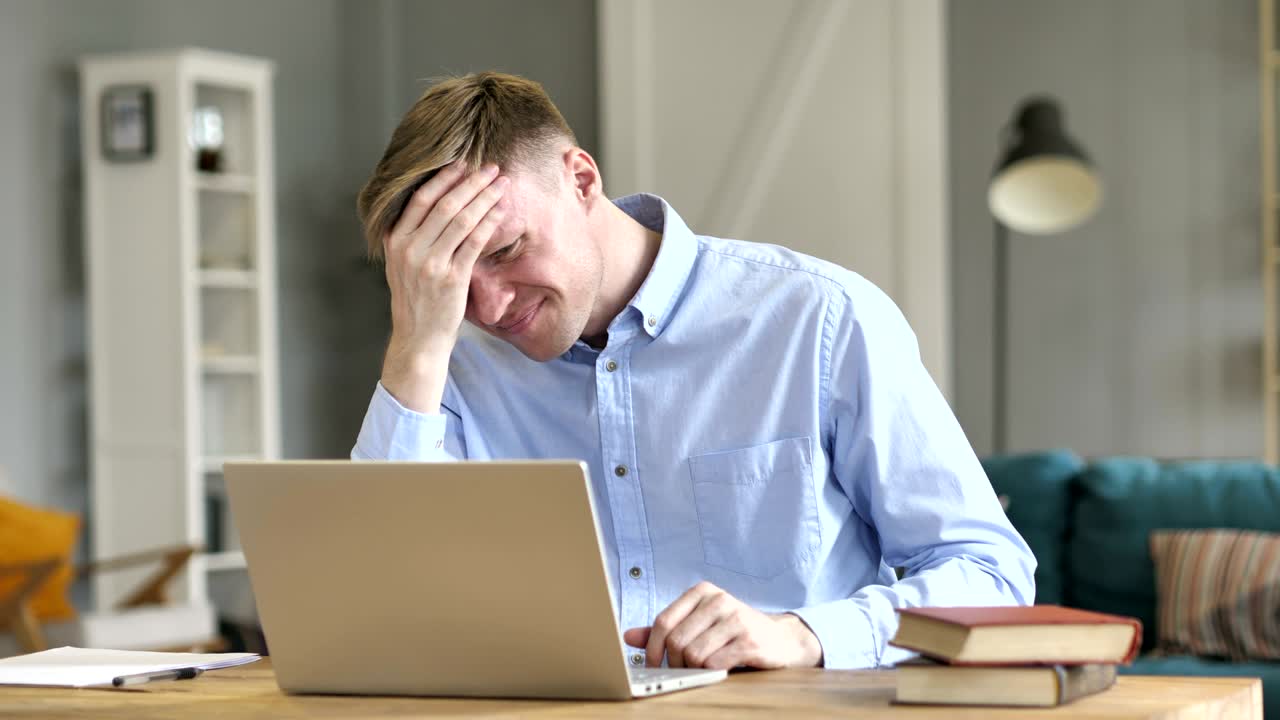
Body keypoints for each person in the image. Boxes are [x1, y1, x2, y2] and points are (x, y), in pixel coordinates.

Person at [351, 72, 1035, 671]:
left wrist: (805, 634)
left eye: (504, 250)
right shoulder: (448, 363)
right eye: (454, 281)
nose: (490, 306)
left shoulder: (821, 320)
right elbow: (371, 610)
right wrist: (417, 343)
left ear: (582, 179)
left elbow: (991, 574)